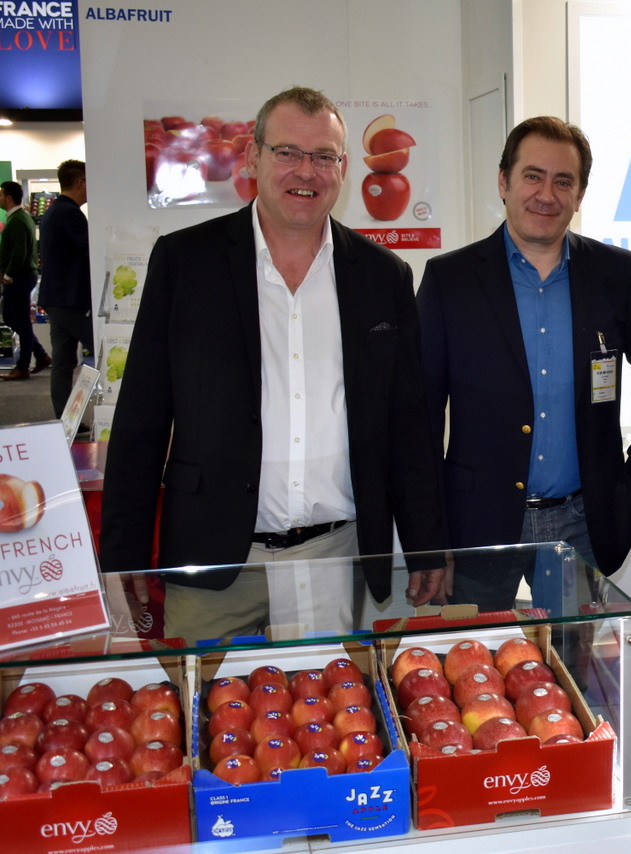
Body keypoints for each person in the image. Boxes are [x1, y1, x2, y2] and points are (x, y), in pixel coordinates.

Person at [99, 86, 446, 640]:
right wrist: (123, 550)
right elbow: (142, 415)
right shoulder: (186, 263)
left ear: (343, 168)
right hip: (212, 562)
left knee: (328, 697)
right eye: (287, 152)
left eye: (323, 156)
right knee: (203, 696)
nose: (305, 171)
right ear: (253, 157)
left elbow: (408, 424)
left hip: (334, 556)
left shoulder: (384, 277)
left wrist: (427, 544)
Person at [416, 115, 631, 610]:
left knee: (574, 656)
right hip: (477, 525)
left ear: (580, 194)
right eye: (533, 176)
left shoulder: (614, 274)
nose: (546, 195)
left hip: (583, 523)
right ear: (504, 182)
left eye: (563, 181)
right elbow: (419, 415)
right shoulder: (451, 280)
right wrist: (430, 537)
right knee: (479, 656)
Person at [38, 159, 94, 418]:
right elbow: (88, 250)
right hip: (72, 300)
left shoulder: (53, 212)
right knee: (102, 349)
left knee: (62, 362)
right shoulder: (69, 214)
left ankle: (64, 420)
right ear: (80, 182)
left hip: (56, 298)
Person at [0, 181, 51, 381]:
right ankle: (41, 355)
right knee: (12, 318)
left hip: (18, 278)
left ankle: (22, 367)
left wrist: (8, 275)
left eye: (1, 194)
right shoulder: (20, 218)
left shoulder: (18, 221)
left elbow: (19, 252)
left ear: (8, 197)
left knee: (20, 321)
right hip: (21, 277)